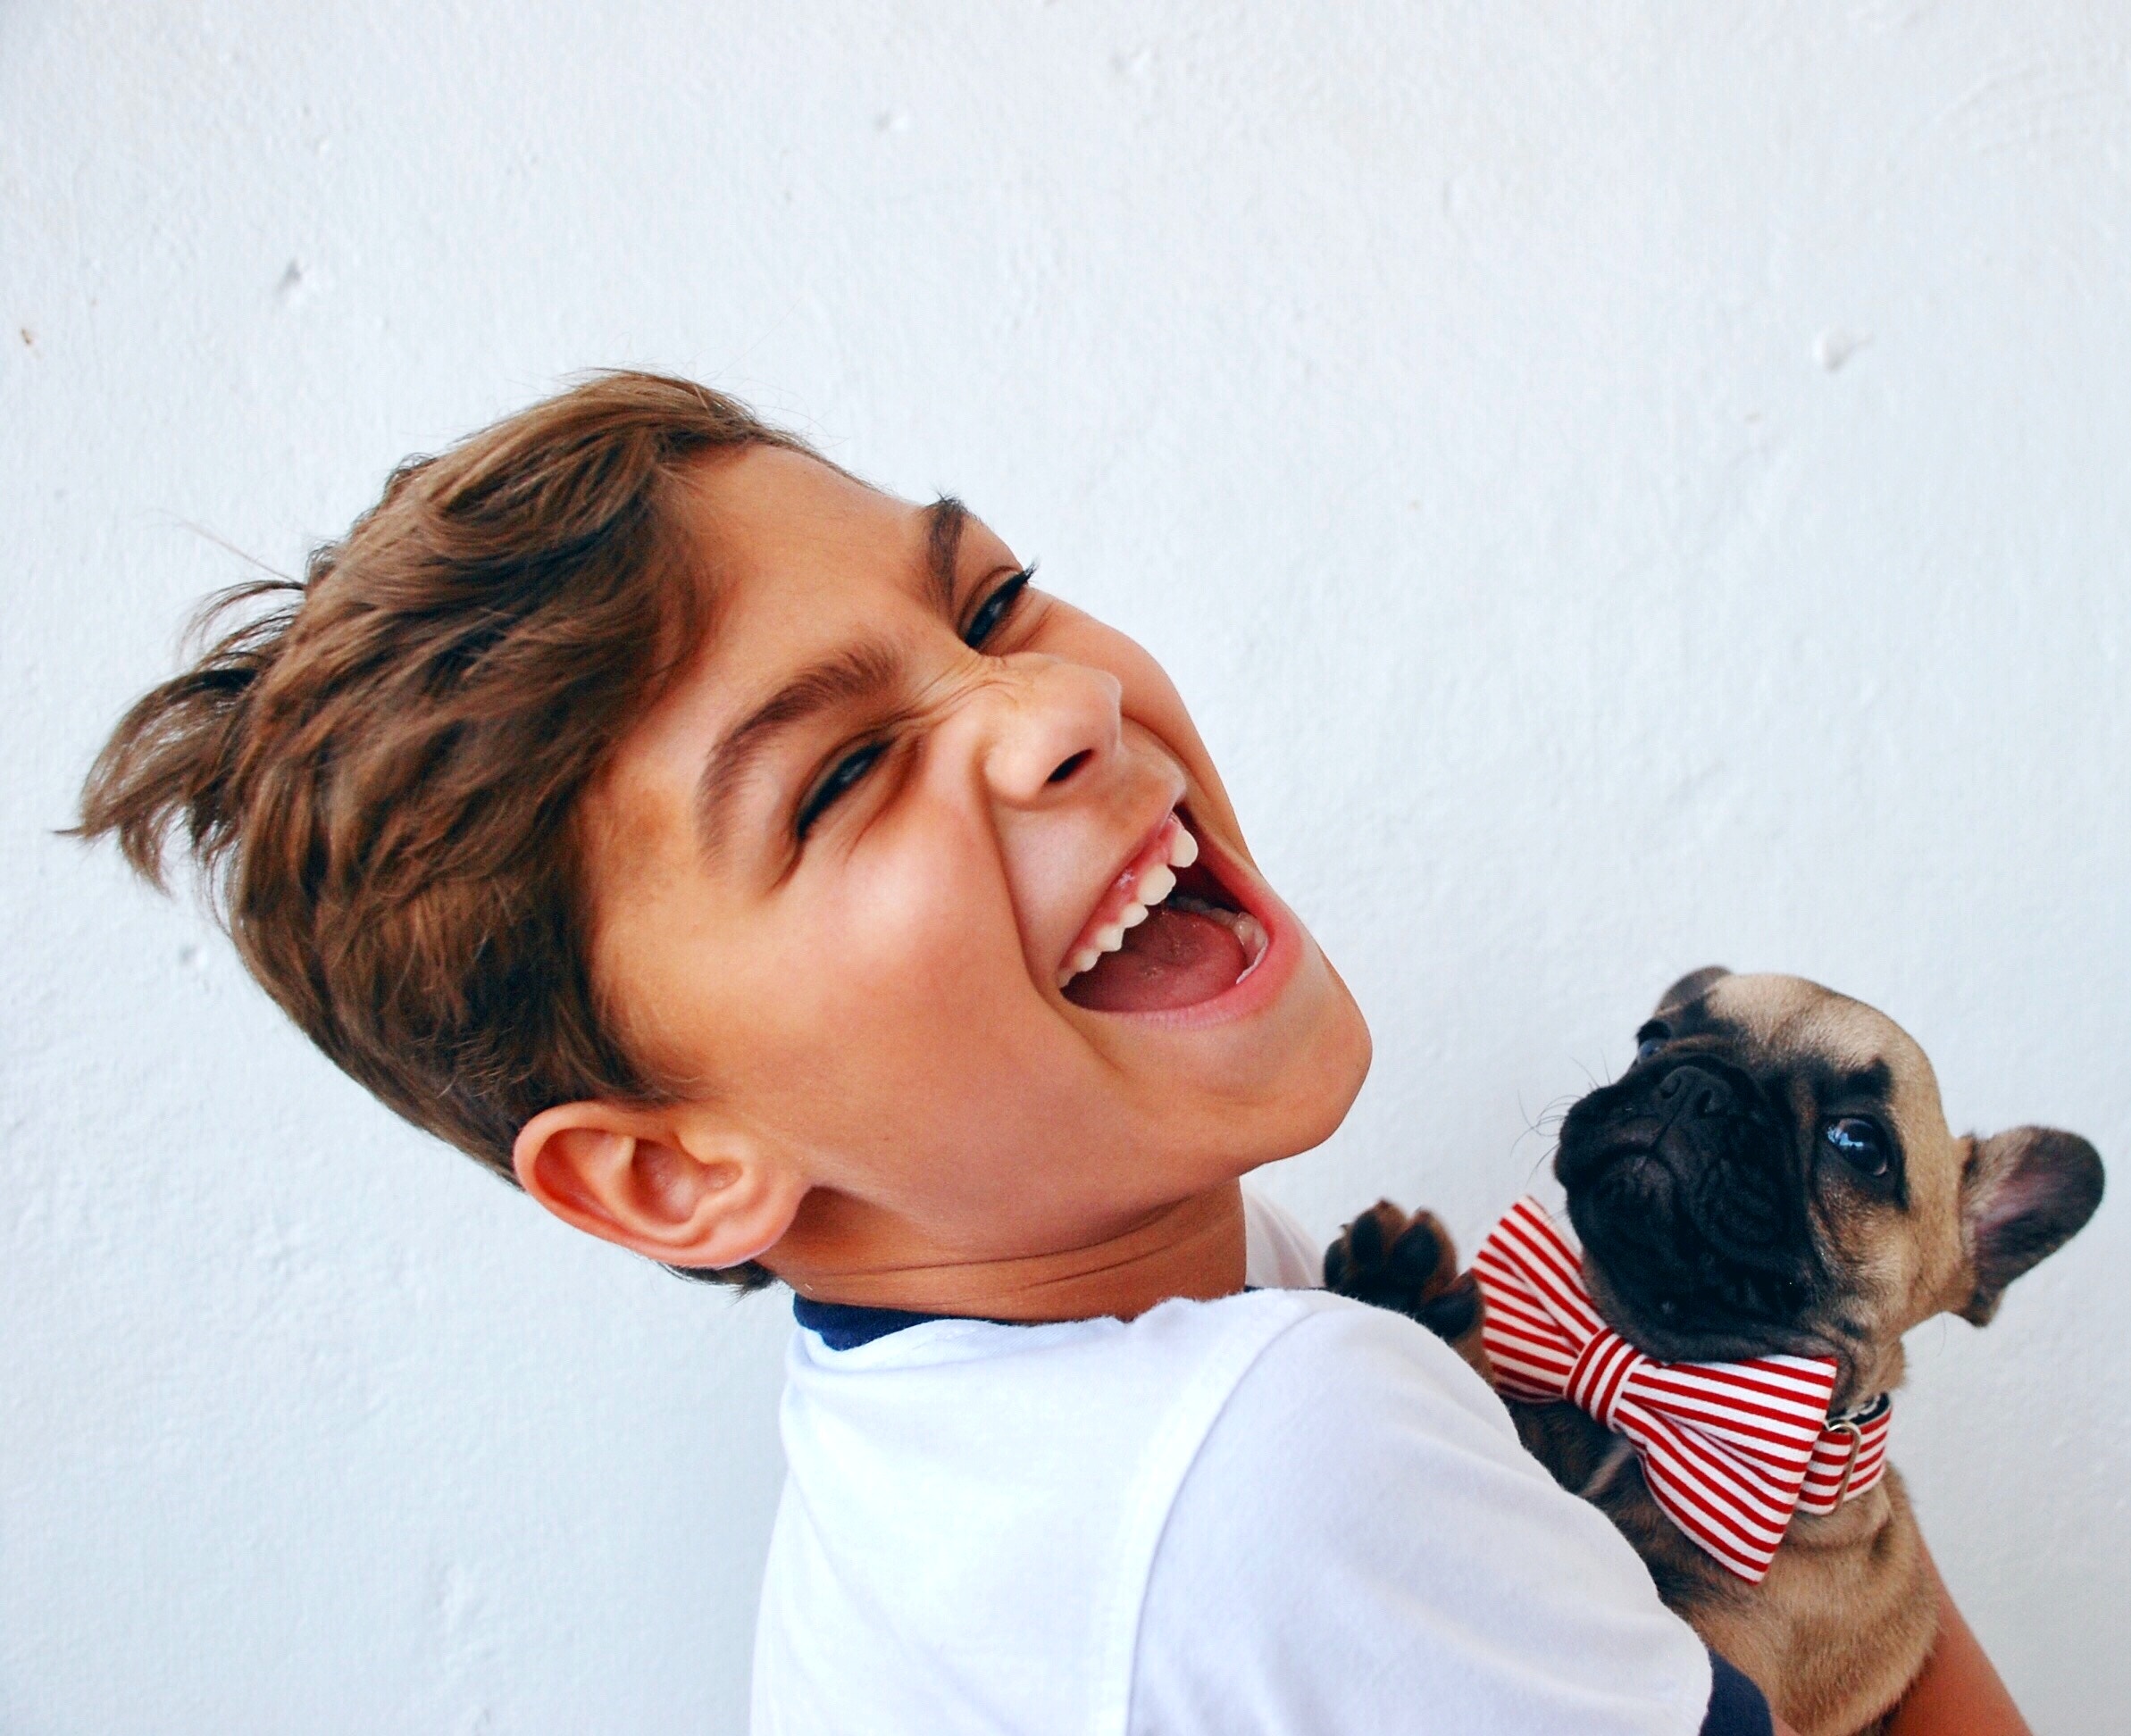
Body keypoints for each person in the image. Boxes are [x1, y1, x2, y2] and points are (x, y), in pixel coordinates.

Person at [77, 373, 2026, 1734]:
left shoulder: (995, 1422)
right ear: (676, 1175)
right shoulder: (1269, 1460)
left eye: (989, 606)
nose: (1056, 705)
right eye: (840, 775)